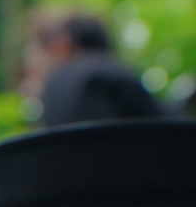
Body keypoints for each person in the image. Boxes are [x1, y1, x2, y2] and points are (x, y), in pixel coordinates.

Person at [19, 8, 164, 128]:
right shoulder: (118, 74)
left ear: (60, 44)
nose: (30, 66)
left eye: (33, 52)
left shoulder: (71, 83)